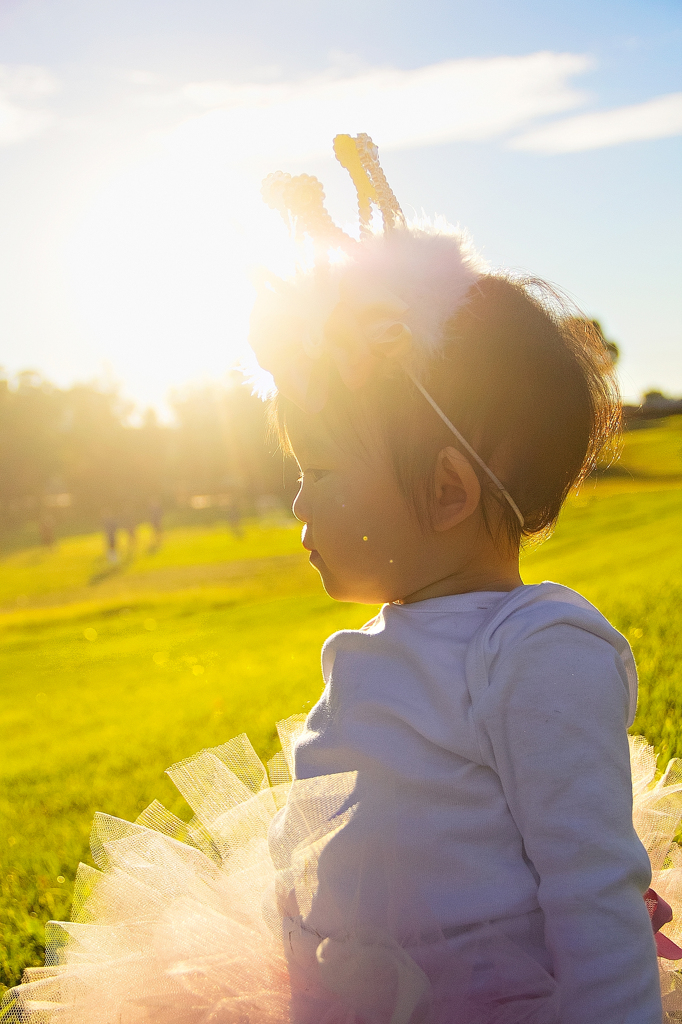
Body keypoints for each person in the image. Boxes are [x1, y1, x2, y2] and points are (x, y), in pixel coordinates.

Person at [4, 135, 681, 1023]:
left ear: (446, 489)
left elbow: (592, 891)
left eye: (319, 470)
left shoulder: (537, 647)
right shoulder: (371, 647)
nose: (296, 494)